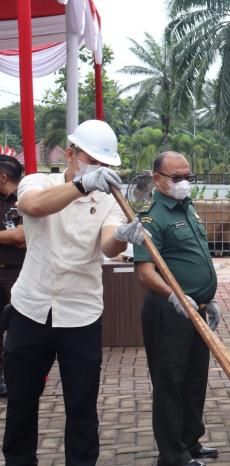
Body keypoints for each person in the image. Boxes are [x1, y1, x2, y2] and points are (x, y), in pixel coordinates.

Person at [2, 119, 146, 466]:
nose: (99, 170)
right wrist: (81, 185)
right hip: (30, 309)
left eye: (104, 164)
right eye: (92, 160)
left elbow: (108, 245)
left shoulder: (110, 200)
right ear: (70, 153)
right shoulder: (38, 182)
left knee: (81, 406)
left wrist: (122, 236)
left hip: (81, 315)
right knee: (21, 400)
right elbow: (34, 207)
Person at [134, 152, 221, 466]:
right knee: (170, 382)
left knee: (195, 378)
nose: (184, 182)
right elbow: (145, 272)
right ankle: (172, 455)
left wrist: (207, 298)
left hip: (196, 308)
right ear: (157, 178)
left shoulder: (188, 208)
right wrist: (176, 297)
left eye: (188, 177)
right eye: (177, 177)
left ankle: (190, 441)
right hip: (169, 311)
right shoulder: (151, 217)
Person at [0, 155, 25, 397]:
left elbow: (21, 235)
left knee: (19, 328)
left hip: (17, 272)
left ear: (3, 177)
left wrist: (13, 236)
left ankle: (17, 379)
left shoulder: (26, 199)